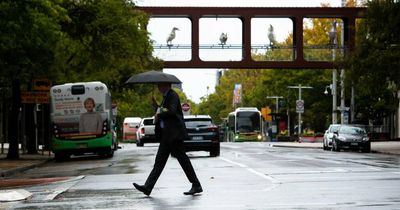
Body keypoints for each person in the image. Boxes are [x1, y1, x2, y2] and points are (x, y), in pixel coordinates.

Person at [133, 83, 202, 196]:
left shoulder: (172, 95)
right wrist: (155, 106)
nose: (158, 87)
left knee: (182, 160)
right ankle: (148, 187)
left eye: (160, 85)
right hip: (168, 135)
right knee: (160, 162)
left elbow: (172, 111)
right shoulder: (167, 96)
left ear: (166, 85)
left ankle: (196, 184)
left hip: (173, 135)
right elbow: (164, 110)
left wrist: (159, 113)